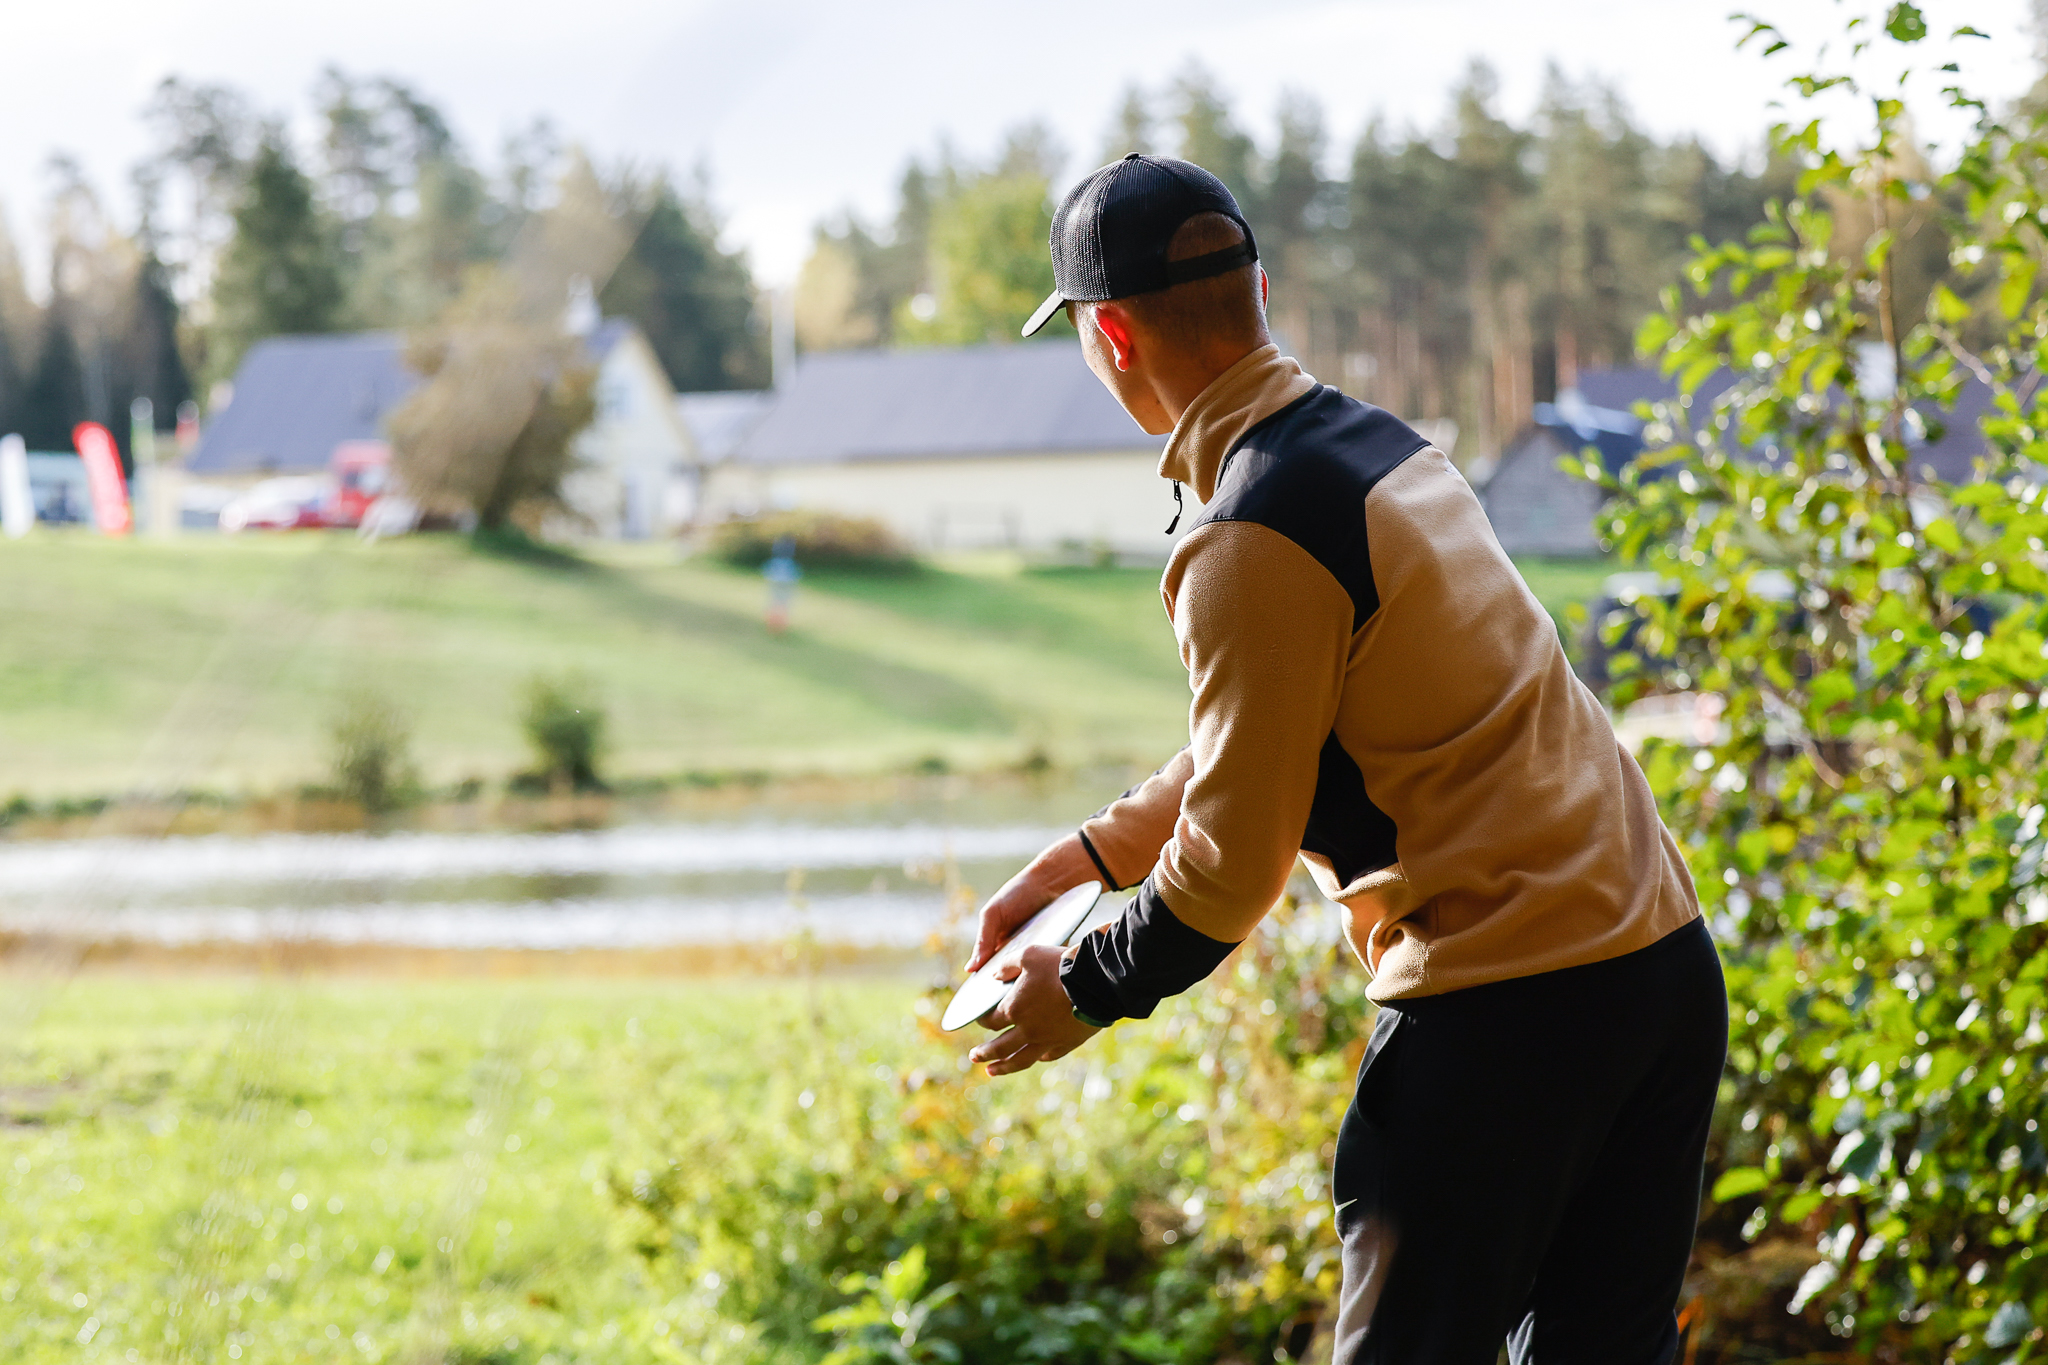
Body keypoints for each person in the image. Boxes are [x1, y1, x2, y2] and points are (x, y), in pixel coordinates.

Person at [964, 153, 1727, 1365]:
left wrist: (1090, 983)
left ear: (1108, 335)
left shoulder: (1249, 532)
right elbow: (1302, 714)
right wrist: (1104, 849)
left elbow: (1228, 871)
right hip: (1656, 971)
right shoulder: (1377, 450)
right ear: (1257, 292)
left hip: (1502, 1009)